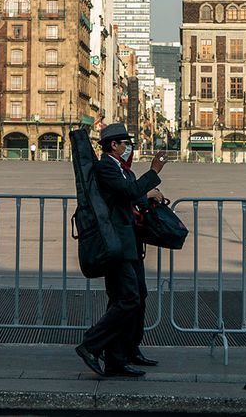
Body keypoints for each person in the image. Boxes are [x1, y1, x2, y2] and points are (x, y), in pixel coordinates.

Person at [75, 123, 167, 378]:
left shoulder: (122, 170)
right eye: (124, 143)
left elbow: (131, 195)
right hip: (115, 245)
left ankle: (122, 354)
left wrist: (149, 195)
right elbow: (127, 192)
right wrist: (153, 172)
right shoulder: (105, 167)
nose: (128, 148)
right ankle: (91, 344)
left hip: (130, 244)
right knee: (127, 299)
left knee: (137, 296)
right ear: (113, 145)